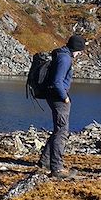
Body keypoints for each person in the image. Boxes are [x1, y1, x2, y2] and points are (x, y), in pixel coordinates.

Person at [37, 34, 87, 179]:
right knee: (62, 132)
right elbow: (57, 81)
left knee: (58, 130)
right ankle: (57, 168)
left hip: (54, 96)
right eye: (80, 50)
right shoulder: (65, 58)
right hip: (58, 98)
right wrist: (65, 98)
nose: (79, 54)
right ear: (75, 48)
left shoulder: (61, 55)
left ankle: (44, 161)